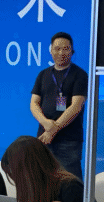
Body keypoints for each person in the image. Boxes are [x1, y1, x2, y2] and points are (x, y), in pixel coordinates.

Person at [0, 135, 104, 202]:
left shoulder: (70, 186)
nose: (15, 178)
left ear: (29, 170)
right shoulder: (35, 188)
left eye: (16, 172)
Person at [29, 31, 88, 178]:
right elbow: (34, 103)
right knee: (43, 179)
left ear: (72, 51)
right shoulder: (43, 74)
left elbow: (76, 107)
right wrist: (46, 124)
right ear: (51, 51)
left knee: (70, 180)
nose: (61, 53)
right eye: (57, 48)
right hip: (44, 137)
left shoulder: (80, 75)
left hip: (69, 140)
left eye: (66, 49)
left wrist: (53, 130)